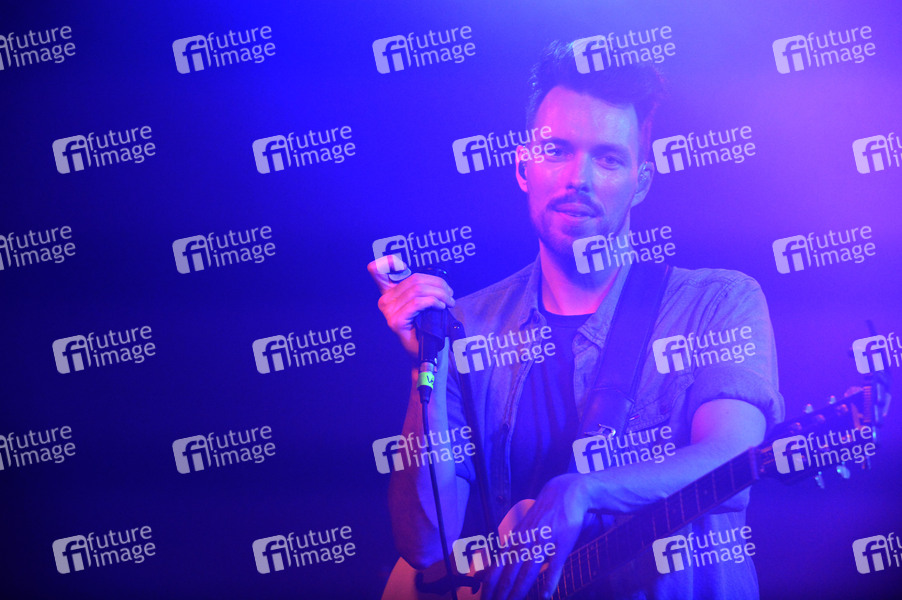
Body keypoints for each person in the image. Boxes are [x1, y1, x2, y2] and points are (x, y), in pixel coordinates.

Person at [368, 41, 783, 600]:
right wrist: (430, 364)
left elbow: (730, 459)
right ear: (523, 166)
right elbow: (423, 545)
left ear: (641, 181)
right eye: (557, 150)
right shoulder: (466, 325)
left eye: (608, 158)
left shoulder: (718, 302)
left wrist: (584, 491)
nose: (578, 178)